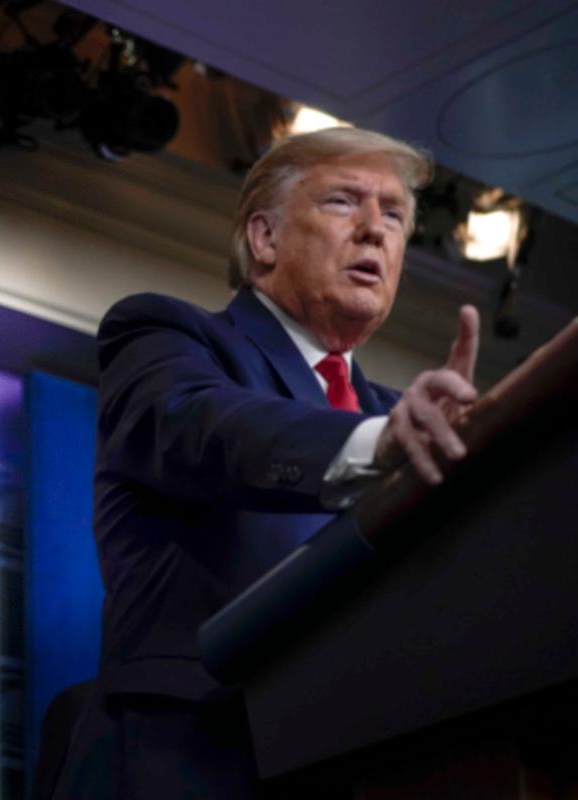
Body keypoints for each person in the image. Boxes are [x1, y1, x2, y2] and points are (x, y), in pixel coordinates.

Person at [51, 127, 480, 799]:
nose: (375, 230)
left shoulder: (405, 417)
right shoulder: (167, 337)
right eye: (344, 201)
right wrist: (374, 448)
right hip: (191, 758)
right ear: (264, 239)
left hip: (361, 762)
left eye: (394, 213)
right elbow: (210, 430)